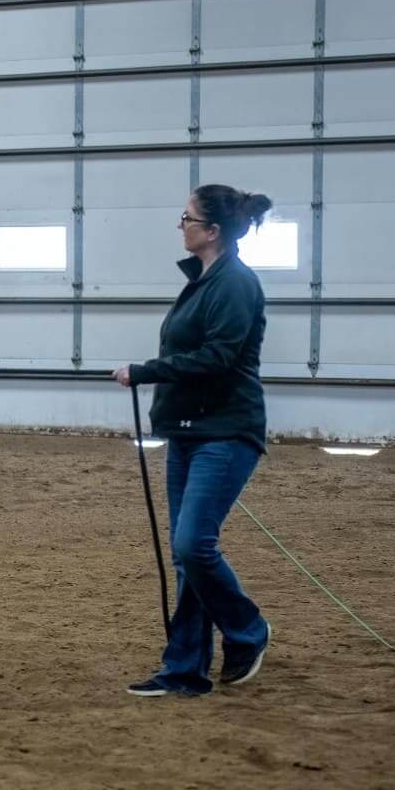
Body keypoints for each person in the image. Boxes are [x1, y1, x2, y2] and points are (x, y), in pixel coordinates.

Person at [111, 184, 274, 697]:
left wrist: (146, 371)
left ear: (212, 231)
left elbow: (218, 358)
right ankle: (184, 668)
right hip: (188, 432)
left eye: (187, 217)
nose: (180, 225)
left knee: (193, 545)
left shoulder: (234, 284)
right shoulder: (204, 281)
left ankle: (248, 631)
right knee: (187, 556)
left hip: (225, 433)